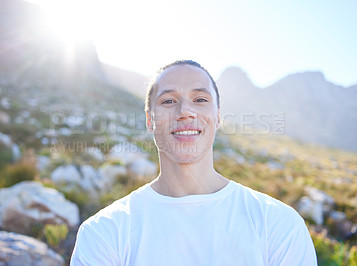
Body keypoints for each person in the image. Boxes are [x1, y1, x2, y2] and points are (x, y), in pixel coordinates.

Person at [70, 60, 317, 265]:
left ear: (218, 116)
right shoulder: (104, 232)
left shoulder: (278, 224)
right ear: (149, 120)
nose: (185, 111)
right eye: (168, 101)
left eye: (200, 100)